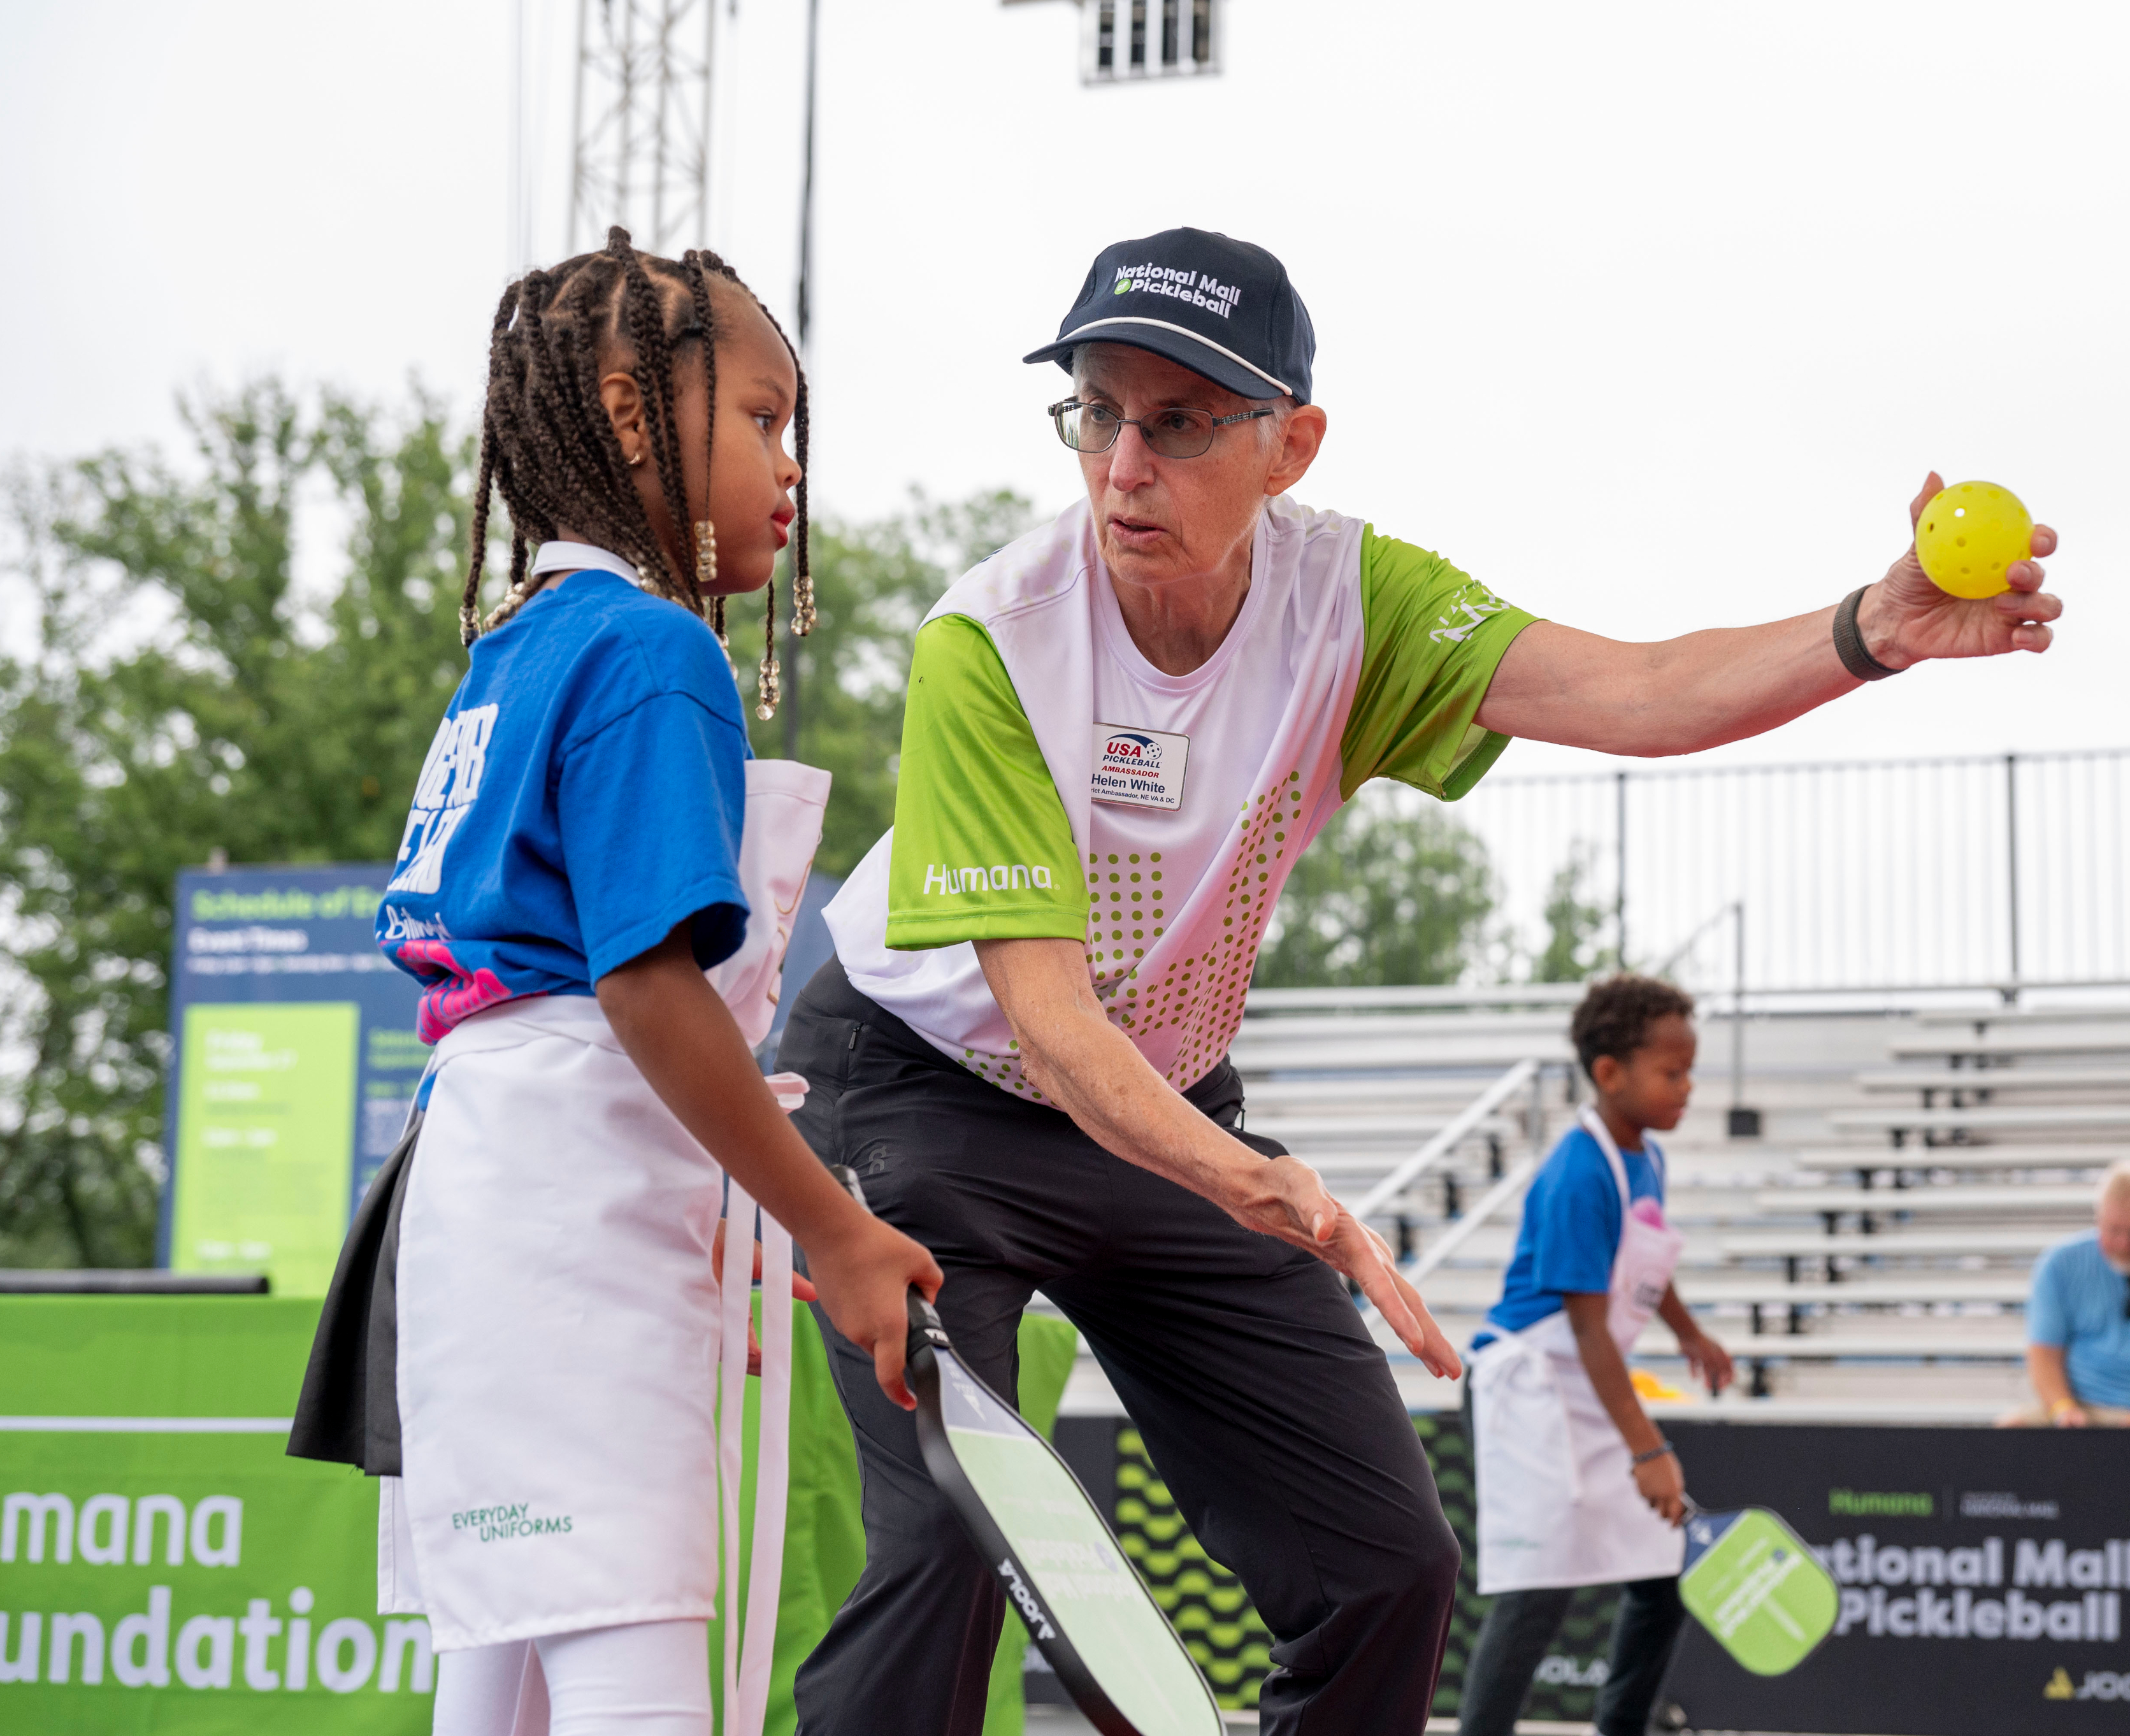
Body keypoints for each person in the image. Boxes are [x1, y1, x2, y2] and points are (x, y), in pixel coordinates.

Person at [781, 226, 2061, 1735]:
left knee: (1388, 1567)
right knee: (947, 1543)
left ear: (1289, 445)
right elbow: (1052, 1031)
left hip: (1162, 1105)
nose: (1127, 465)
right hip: (919, 1096)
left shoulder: (1352, 602)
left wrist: (1872, 627)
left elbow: (1636, 691)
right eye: (1099, 411)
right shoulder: (990, 641)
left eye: (1180, 422)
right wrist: (1273, 1190)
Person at [292, 231, 938, 1736]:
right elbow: (649, 993)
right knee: (629, 1671)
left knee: (507, 1659)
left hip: (479, 1210)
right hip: (574, 1214)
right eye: (765, 419)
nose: (791, 466)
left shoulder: (512, 650)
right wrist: (833, 1226)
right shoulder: (652, 650)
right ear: (634, 415)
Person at [1455, 975, 1735, 1736]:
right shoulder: (1578, 1173)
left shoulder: (1644, 1156)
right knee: (1538, 1591)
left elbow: (1640, 1260)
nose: (1687, 1086)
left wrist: (1687, 1332)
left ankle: (1624, 1725)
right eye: (1671, 1072)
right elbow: (1585, 1331)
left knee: (1669, 1569)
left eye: (1690, 1069)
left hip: (1581, 1379)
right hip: (1530, 1387)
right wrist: (1650, 1449)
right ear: (1609, 1073)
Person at [1997, 1159, 2130, 1426]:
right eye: (2113, 1230)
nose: (2123, 1244)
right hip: (2083, 1408)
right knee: (2010, 1429)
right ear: (2098, 1219)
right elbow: (2043, 1354)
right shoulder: (2060, 1264)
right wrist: (2064, 1410)